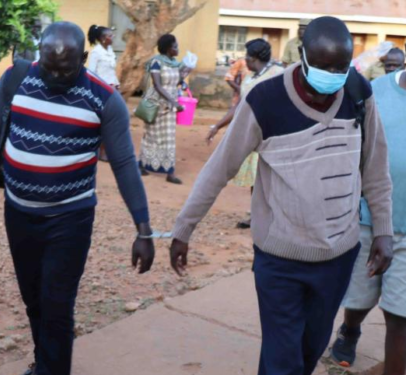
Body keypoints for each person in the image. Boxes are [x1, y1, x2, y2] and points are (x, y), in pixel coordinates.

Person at [169, 17, 394, 375]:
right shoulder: (266, 100)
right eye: (323, 66)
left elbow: (375, 168)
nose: (333, 75)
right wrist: (184, 228)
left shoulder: (358, 93)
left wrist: (383, 229)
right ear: (302, 56)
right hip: (280, 258)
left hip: (338, 256)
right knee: (283, 359)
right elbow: (219, 168)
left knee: (308, 351)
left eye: (341, 67)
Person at [0, 22, 154, 375]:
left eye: (65, 69)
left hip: (70, 218)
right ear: (39, 53)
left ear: (83, 59)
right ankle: (44, 364)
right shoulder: (17, 78)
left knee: (57, 305)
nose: (54, 76)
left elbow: (125, 165)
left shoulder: (104, 99)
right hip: (18, 212)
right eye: (48, 66)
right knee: (34, 299)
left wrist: (143, 229)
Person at [331, 18, 406, 375]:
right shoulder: (376, 91)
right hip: (366, 217)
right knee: (359, 296)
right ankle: (351, 328)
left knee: (400, 314)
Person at [206, 39, 284, 229]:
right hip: (254, 136)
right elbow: (240, 107)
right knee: (257, 179)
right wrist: (217, 126)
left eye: (247, 56)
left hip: (274, 136)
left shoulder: (278, 75)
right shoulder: (250, 78)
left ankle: (278, 217)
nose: (245, 60)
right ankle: (258, 215)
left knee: (274, 179)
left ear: (255, 57)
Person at [139, 34, 186, 184]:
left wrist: (183, 79)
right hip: (157, 104)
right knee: (151, 135)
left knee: (169, 138)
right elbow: (158, 86)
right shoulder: (156, 62)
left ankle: (169, 171)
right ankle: (142, 164)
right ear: (167, 48)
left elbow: (175, 82)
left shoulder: (174, 63)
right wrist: (173, 101)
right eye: (175, 46)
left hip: (170, 104)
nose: (177, 49)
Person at [87, 24, 119, 162]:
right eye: (110, 36)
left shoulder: (110, 50)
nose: (113, 38)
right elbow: (92, 73)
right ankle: (100, 151)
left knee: (111, 121)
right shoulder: (96, 52)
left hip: (113, 88)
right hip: (101, 90)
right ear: (103, 39)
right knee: (103, 121)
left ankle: (105, 150)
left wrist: (117, 85)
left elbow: (111, 72)